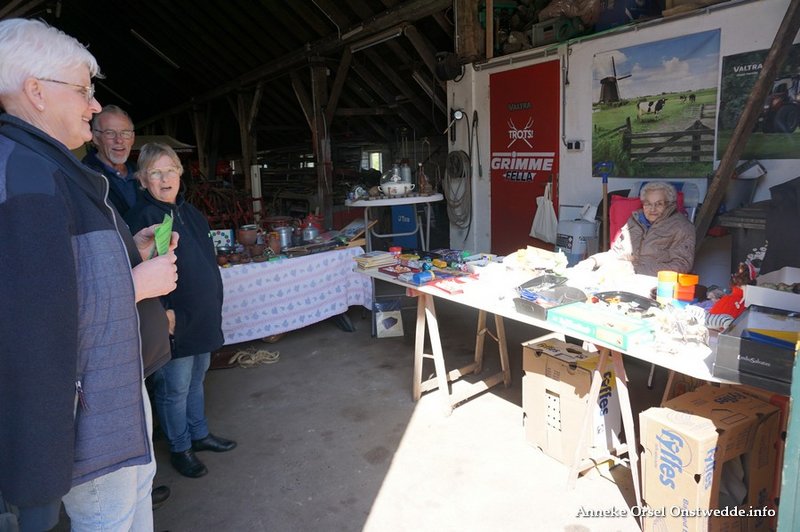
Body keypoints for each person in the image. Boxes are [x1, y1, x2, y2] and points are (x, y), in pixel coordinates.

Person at [0, 19, 178, 531]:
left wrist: (129, 252)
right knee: (110, 518)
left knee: (132, 504)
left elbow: (64, 270)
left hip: (112, 386)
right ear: (36, 91)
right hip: (89, 407)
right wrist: (137, 286)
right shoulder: (27, 177)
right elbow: (33, 319)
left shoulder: (49, 167)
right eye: (82, 90)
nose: (94, 106)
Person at [125, 143, 237, 479]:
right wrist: (164, 314)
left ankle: (199, 434)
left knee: (197, 380)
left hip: (201, 316)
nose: (164, 179)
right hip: (176, 320)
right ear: (142, 180)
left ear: (180, 173)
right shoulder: (146, 217)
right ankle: (180, 447)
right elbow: (140, 272)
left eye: (170, 170)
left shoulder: (191, 212)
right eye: (155, 173)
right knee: (174, 389)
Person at [575, 181, 695, 276]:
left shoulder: (682, 227)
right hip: (625, 278)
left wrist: (634, 269)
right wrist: (593, 261)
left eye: (659, 204)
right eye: (648, 203)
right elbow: (616, 254)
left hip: (656, 284)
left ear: (669, 204)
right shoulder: (635, 221)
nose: (652, 209)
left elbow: (681, 265)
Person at [82, 104, 139, 216]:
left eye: (125, 133)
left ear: (132, 138)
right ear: (95, 138)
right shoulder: (84, 176)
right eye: (110, 133)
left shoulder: (142, 171)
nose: (119, 140)